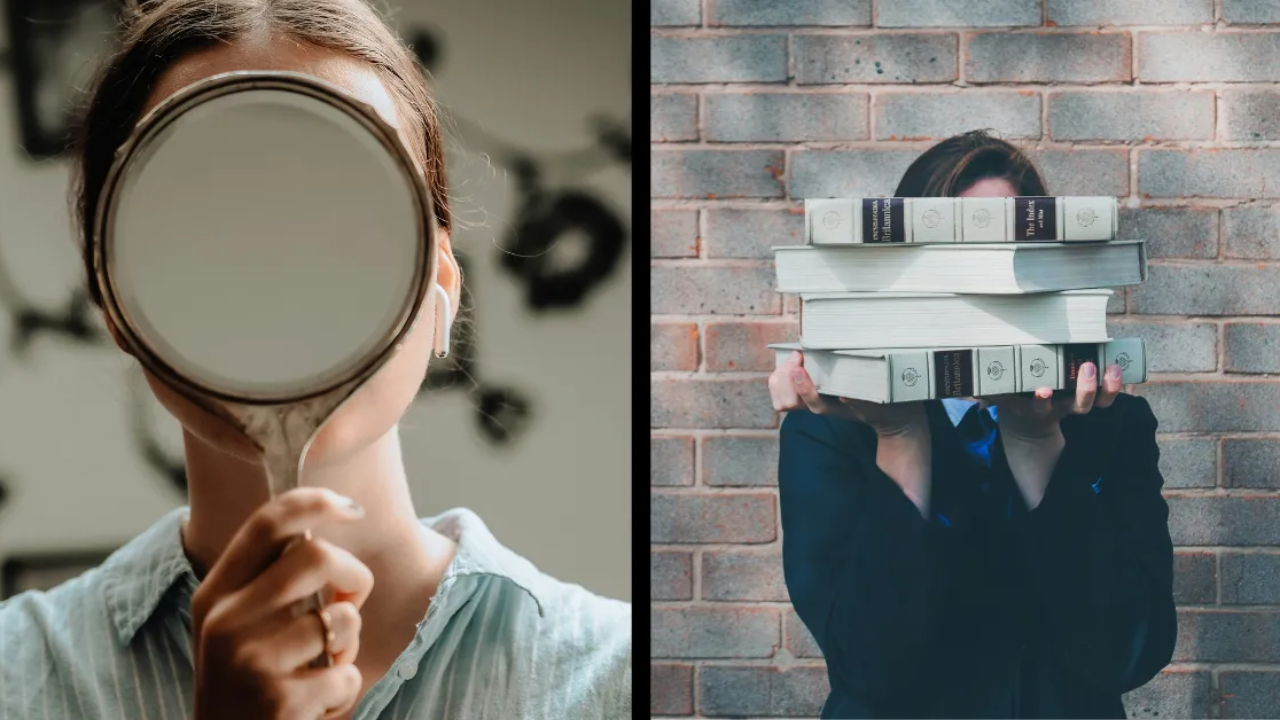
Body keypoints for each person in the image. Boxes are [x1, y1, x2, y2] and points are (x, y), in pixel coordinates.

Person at [0, 1, 630, 718]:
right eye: (211, 222)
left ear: (441, 291)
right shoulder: (14, 679)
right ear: (116, 299)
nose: (281, 278)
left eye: (351, 213)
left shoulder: (620, 678)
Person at [767, 130, 1176, 719]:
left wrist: (1038, 444)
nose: (986, 291)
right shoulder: (834, 427)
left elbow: (1129, 653)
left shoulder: (1113, 425)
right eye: (957, 261)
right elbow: (871, 667)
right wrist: (899, 438)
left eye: (1005, 258)